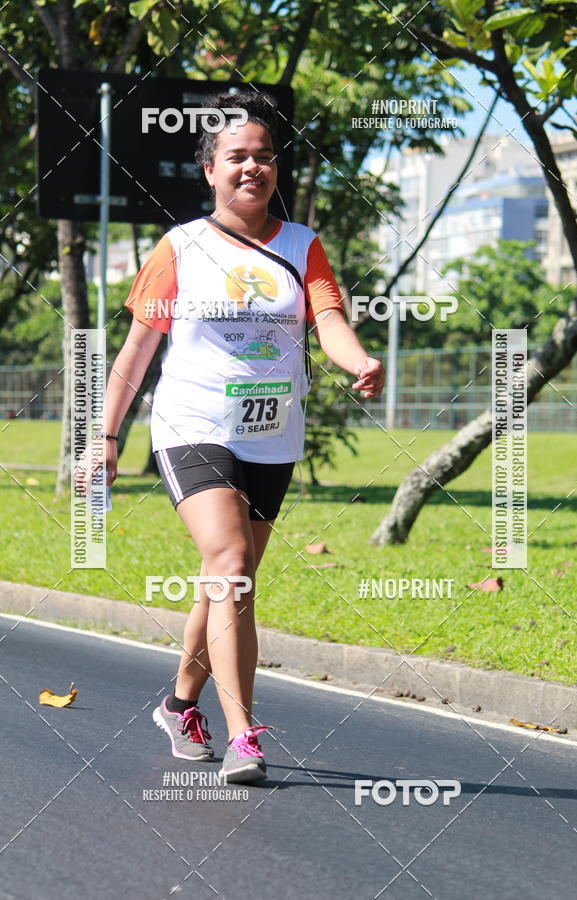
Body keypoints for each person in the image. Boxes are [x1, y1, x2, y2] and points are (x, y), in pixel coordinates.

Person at [94, 92, 384, 783]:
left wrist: (360, 361)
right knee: (230, 563)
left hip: (271, 435)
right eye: (237, 157)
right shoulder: (179, 248)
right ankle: (244, 734)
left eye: (264, 156)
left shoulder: (302, 245)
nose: (253, 167)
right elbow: (136, 352)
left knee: (226, 580)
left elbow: (329, 320)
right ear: (210, 170)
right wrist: (104, 435)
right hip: (191, 423)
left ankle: (178, 705)